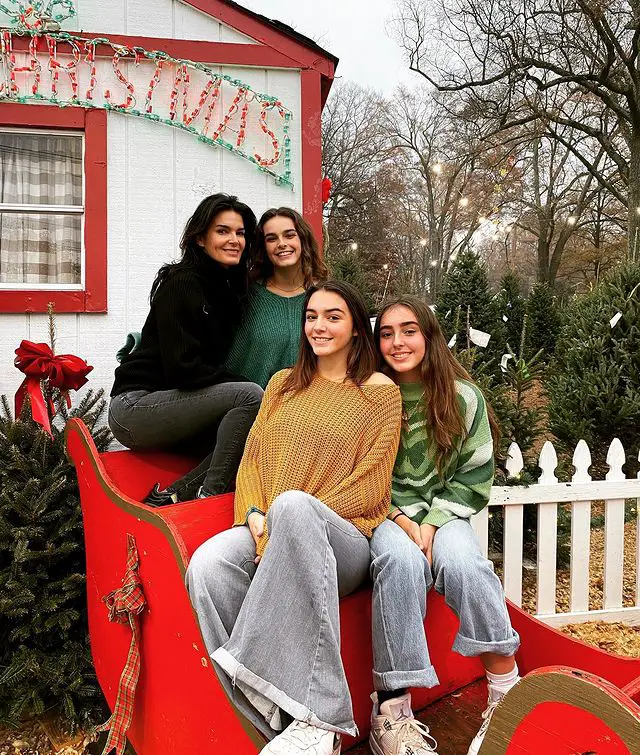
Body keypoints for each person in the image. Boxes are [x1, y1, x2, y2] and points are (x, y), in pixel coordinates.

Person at [186, 280, 403, 755]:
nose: (319, 326)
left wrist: (287, 516)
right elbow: (253, 459)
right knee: (208, 564)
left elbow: (372, 485)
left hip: (343, 541)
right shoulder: (283, 384)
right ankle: (275, 715)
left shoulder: (378, 392)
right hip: (272, 524)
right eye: (312, 316)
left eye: (333, 316)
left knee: (295, 505)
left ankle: (321, 718)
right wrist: (253, 511)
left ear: (355, 327)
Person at [368, 296, 521, 755]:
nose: (397, 342)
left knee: (465, 564)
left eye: (409, 330)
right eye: (387, 333)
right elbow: (365, 472)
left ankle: (504, 691)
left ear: (429, 336)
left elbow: (474, 473)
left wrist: (432, 524)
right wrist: (401, 520)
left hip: (446, 510)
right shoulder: (373, 396)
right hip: (385, 513)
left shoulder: (461, 396)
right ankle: (392, 714)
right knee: (399, 563)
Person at [108, 193, 264, 505]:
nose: (234, 240)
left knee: (249, 436)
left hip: (171, 405)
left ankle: (171, 496)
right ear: (200, 239)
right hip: (135, 406)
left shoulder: (226, 290)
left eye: (240, 233)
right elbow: (184, 368)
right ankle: (210, 495)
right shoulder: (182, 283)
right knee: (252, 396)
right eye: (223, 231)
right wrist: (251, 384)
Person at [225, 206, 328, 388]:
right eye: (271, 238)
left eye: (289, 235)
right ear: (263, 247)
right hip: (253, 408)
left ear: (302, 239)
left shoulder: (324, 297)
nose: (281, 243)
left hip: (311, 410)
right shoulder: (245, 295)